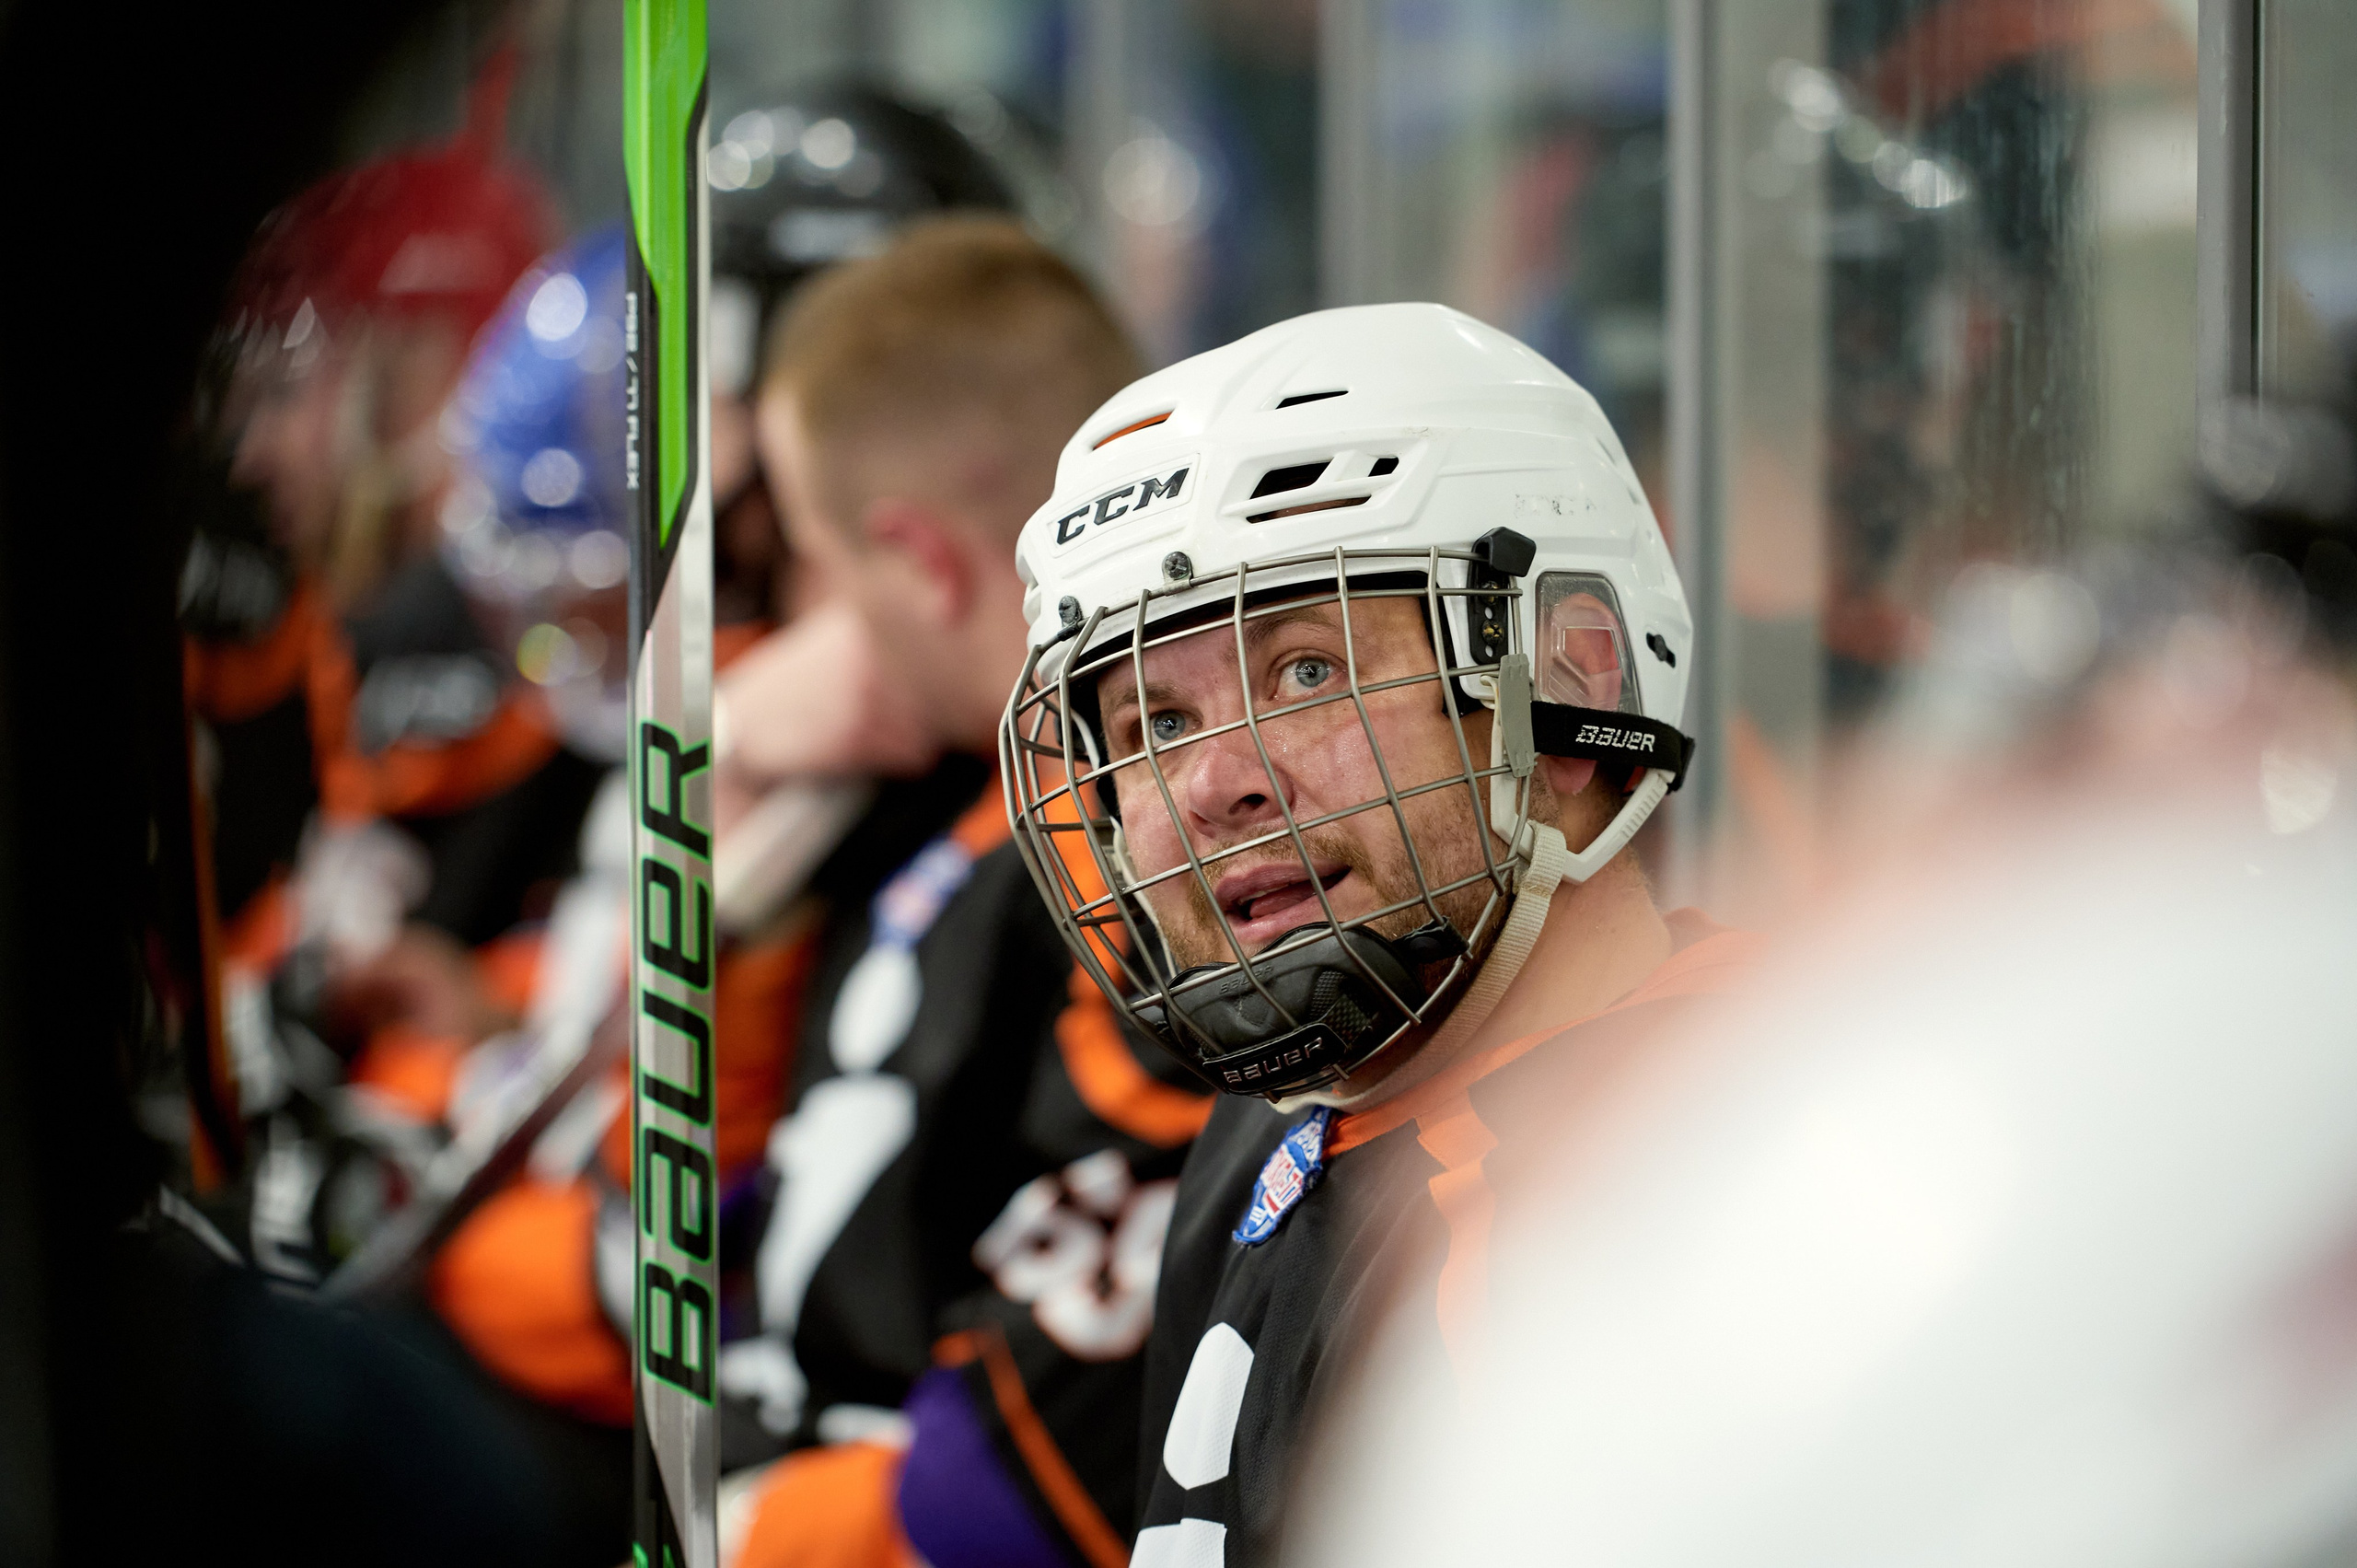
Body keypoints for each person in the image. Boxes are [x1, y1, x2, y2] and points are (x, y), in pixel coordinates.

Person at [997, 301, 1756, 1567]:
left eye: (1306, 671)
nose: (1212, 785)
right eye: (1154, 725)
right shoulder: (1282, 1126)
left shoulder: (1696, 1211)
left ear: (1571, 691)